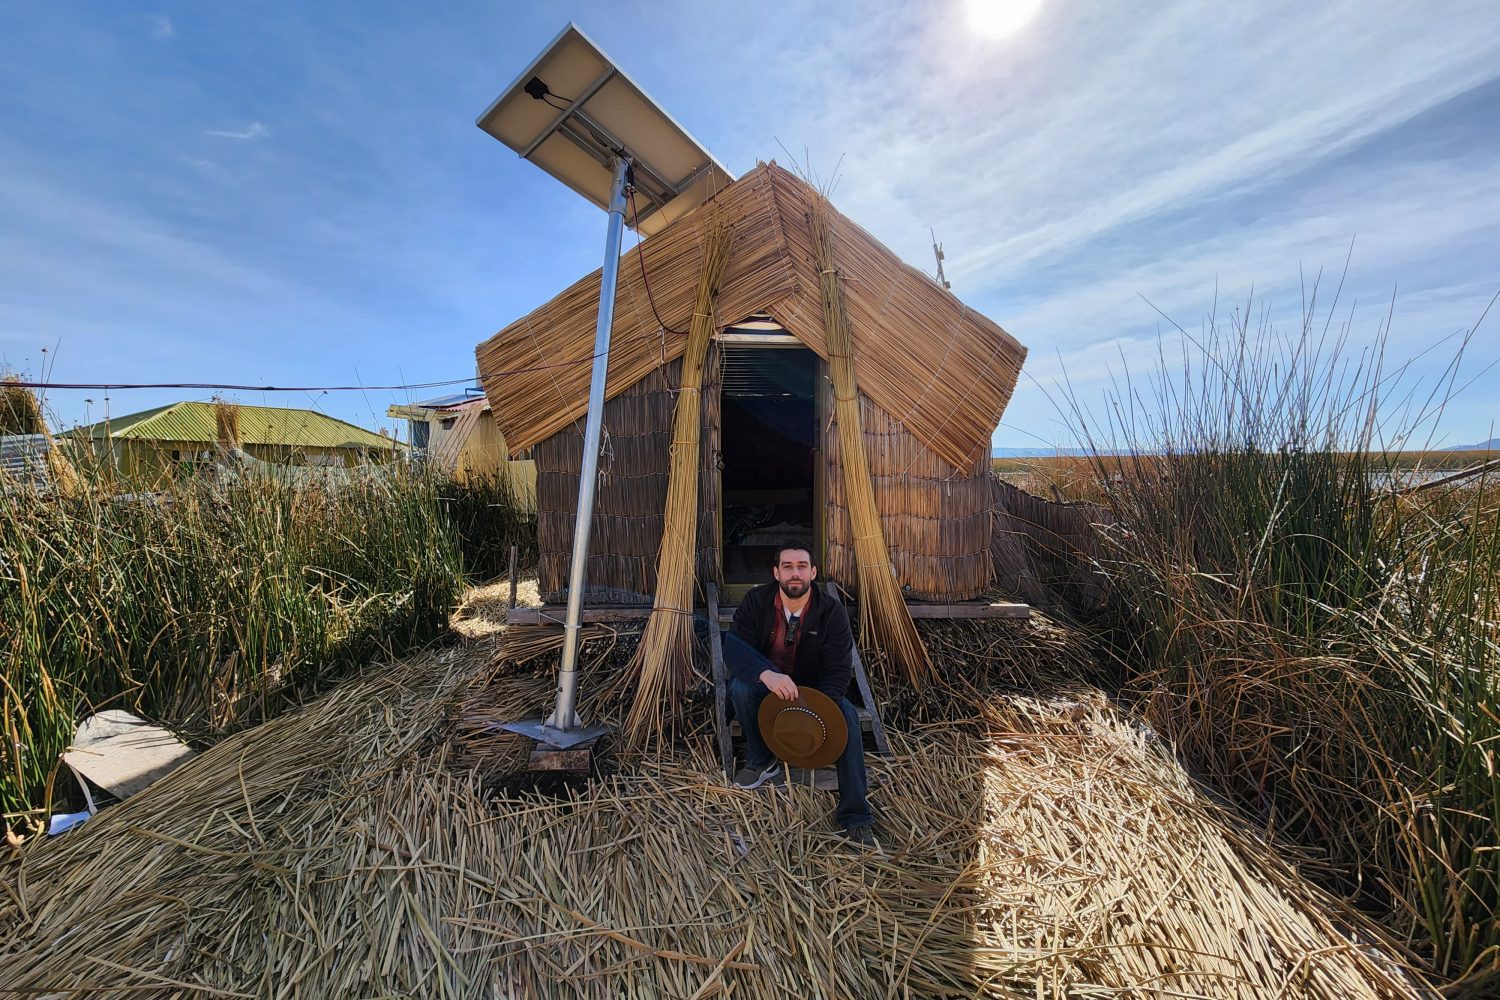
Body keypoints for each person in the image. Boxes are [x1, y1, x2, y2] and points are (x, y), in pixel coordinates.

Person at [722, 542, 877, 846]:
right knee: (740, 688)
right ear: (776, 572)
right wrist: (764, 674)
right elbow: (734, 647)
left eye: (802, 566)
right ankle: (761, 761)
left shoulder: (831, 612)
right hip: (769, 684)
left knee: (847, 718)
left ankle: (856, 815)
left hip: (814, 690)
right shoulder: (756, 601)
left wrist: (818, 708)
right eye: (788, 567)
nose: (795, 573)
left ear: (813, 572)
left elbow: (837, 669)